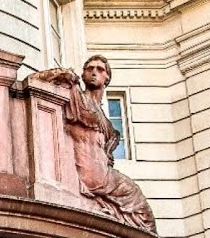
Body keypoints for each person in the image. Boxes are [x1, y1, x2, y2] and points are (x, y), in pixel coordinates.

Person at [35, 55, 156, 233]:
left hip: (103, 173)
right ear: (83, 75)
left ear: (107, 78)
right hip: (92, 175)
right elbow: (36, 80)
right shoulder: (76, 96)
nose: (94, 72)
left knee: (144, 217)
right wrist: (61, 73)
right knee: (141, 208)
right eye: (89, 69)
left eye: (100, 70)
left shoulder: (104, 118)